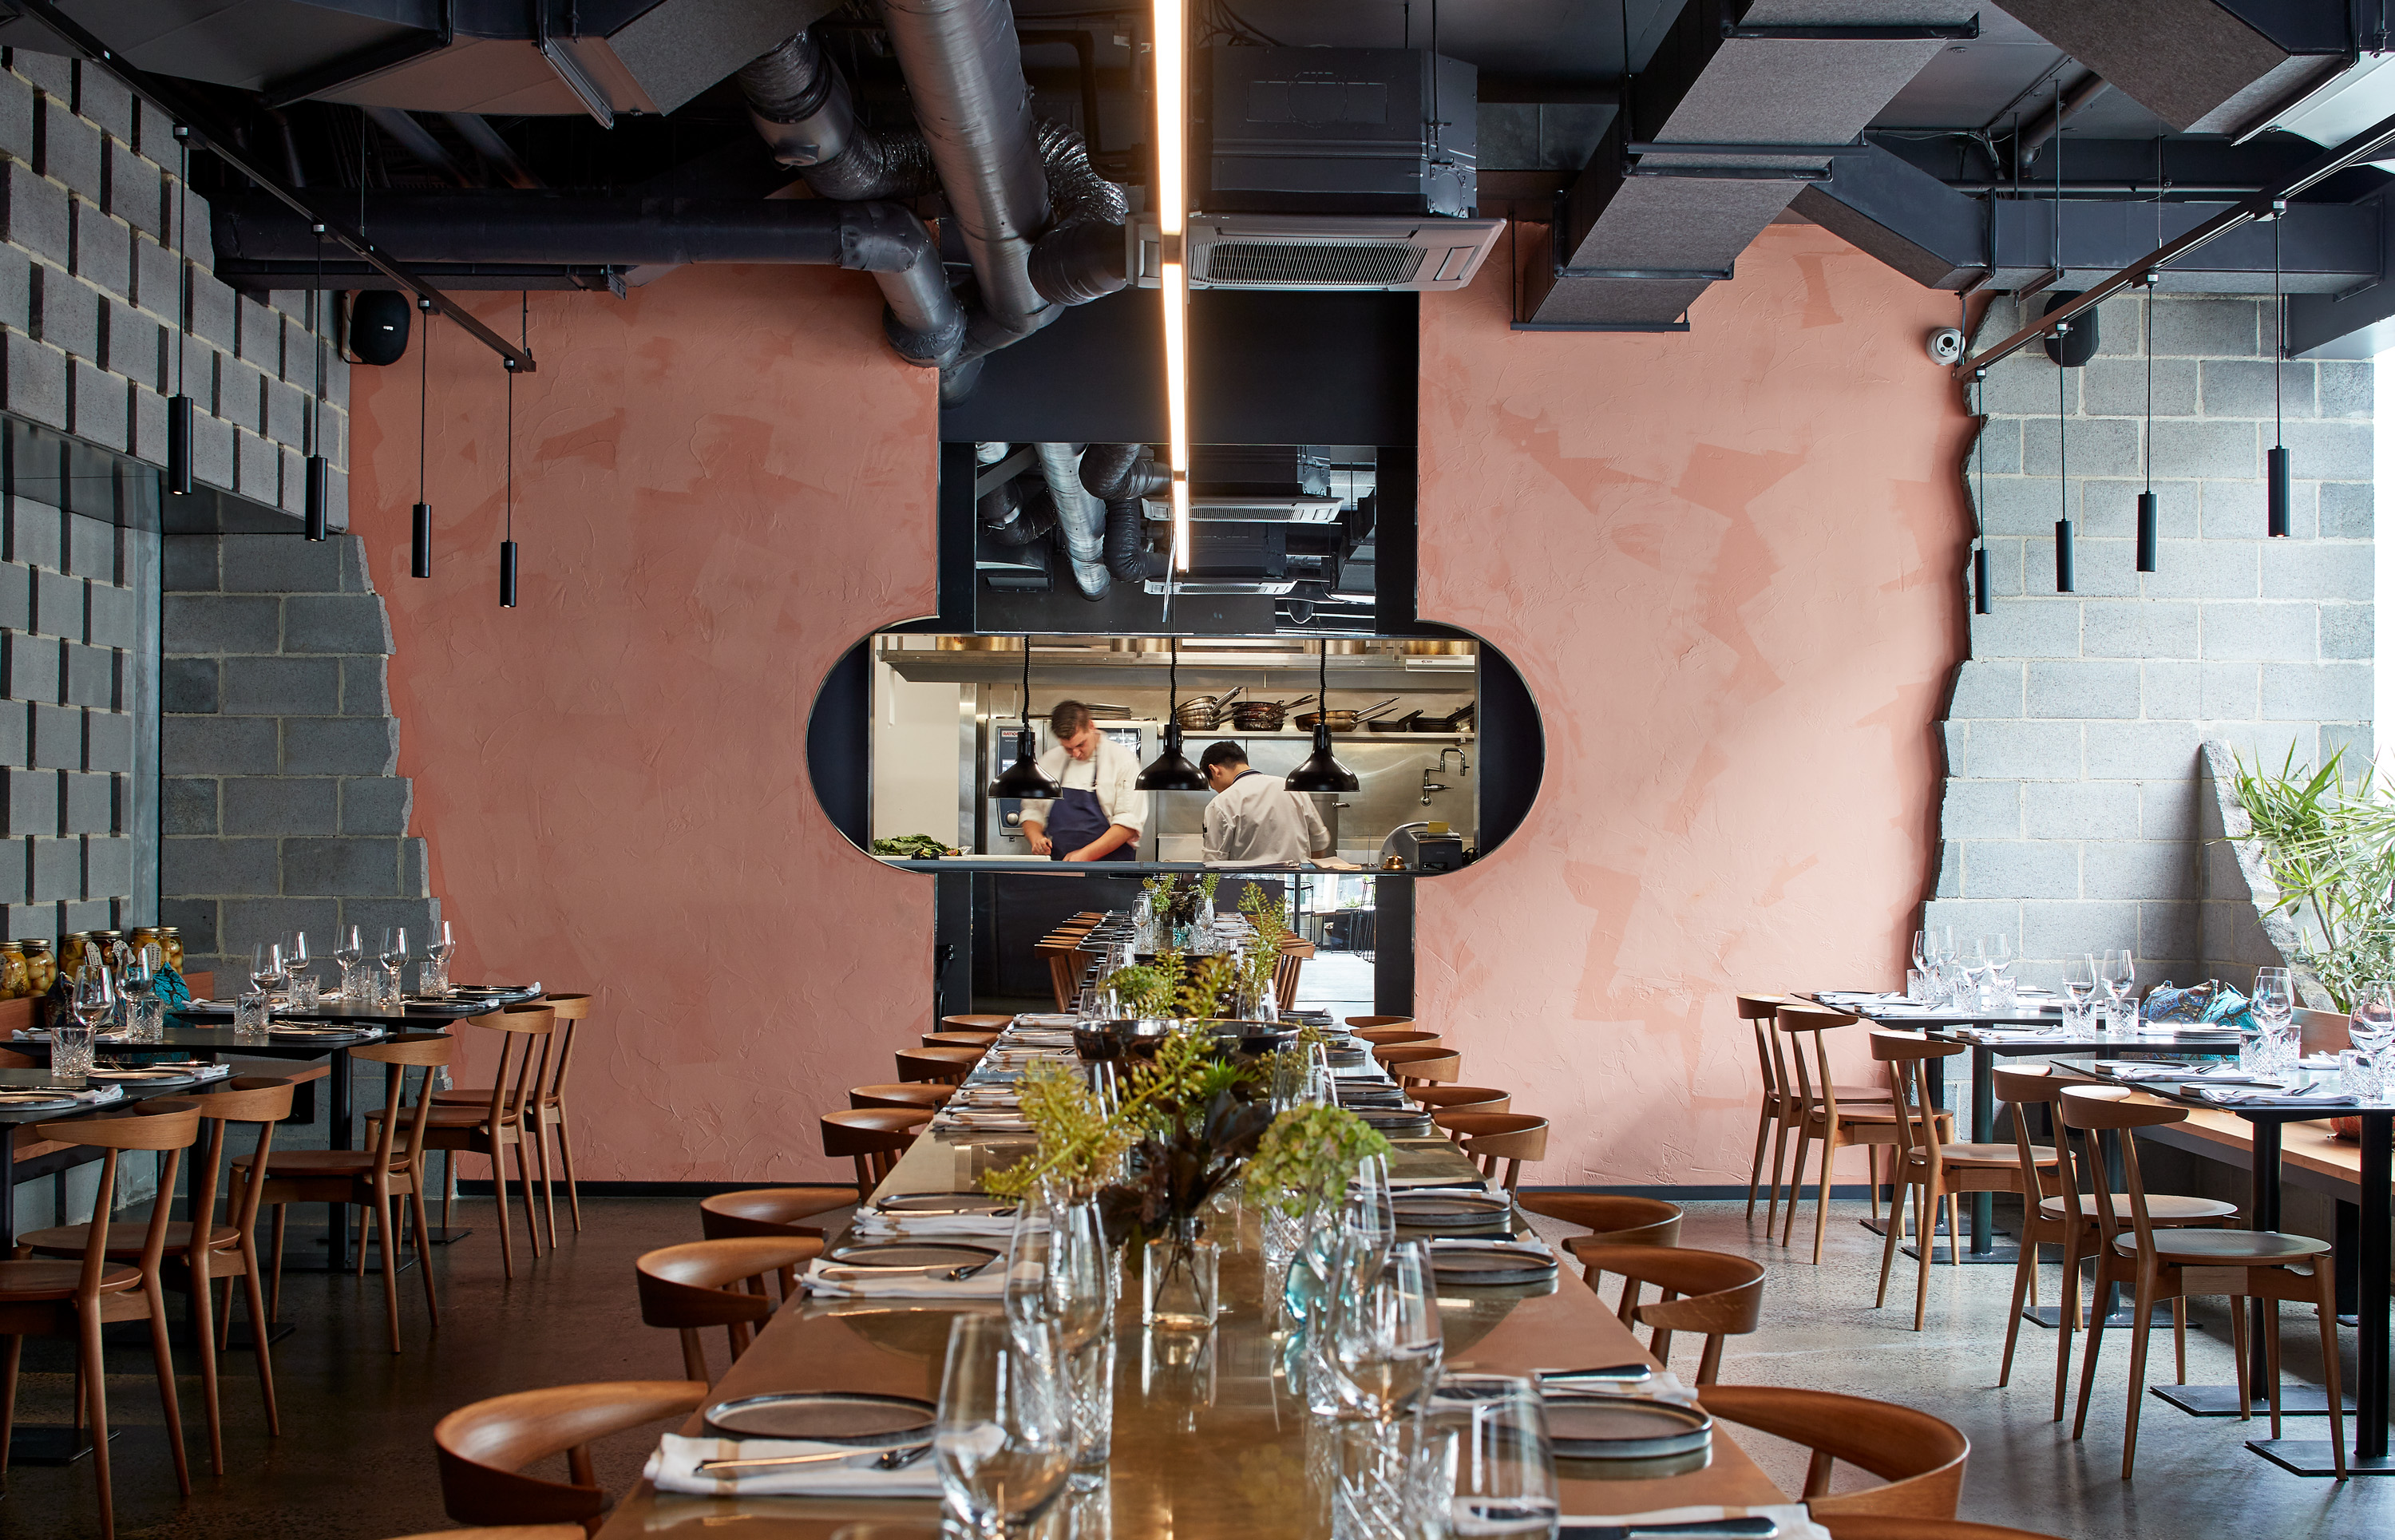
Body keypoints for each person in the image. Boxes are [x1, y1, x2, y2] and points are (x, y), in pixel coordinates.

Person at [1019, 701, 1149, 862]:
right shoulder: (1048, 761)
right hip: (1059, 869)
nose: (1076, 753)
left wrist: (1086, 855)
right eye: (1068, 748)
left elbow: (1128, 824)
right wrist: (1036, 838)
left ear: (1091, 726)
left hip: (1110, 870)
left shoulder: (1122, 760)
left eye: (1081, 744)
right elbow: (1032, 811)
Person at [1198, 741, 1332, 865]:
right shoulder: (1294, 789)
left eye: (1212, 785)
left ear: (1214, 770)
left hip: (1246, 888)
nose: (1216, 790)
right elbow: (1320, 842)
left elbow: (1214, 862)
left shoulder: (1222, 802)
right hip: (1294, 886)